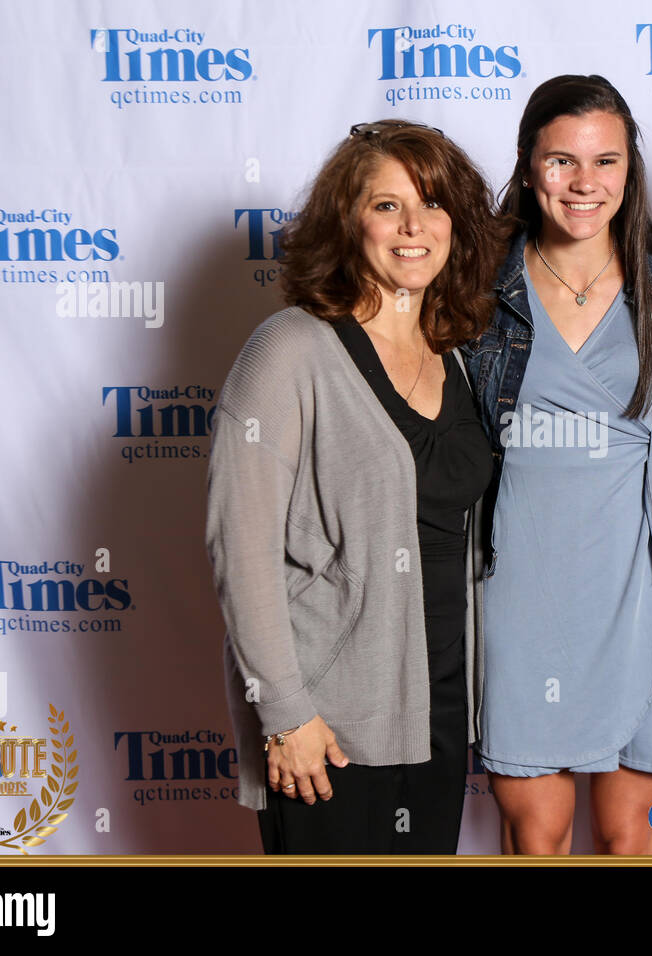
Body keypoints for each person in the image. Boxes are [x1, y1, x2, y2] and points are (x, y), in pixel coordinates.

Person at [205, 120, 504, 854]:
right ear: (348, 222)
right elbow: (239, 550)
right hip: (328, 725)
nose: (414, 227)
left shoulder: (453, 352)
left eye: (434, 206)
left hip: (434, 709)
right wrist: (285, 714)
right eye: (386, 206)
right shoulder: (291, 350)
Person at [464, 75, 652, 855]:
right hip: (520, 578)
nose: (585, 183)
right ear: (528, 164)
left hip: (641, 574)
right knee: (534, 838)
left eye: (606, 161)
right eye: (562, 161)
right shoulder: (475, 274)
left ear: (630, 169)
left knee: (630, 843)